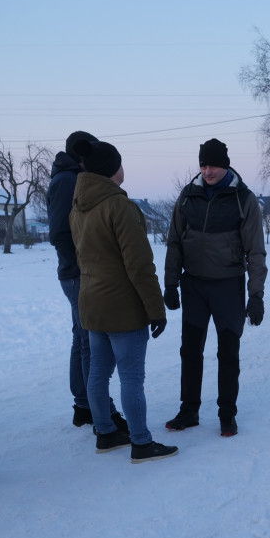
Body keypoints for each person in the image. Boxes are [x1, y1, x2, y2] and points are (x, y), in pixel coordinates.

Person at [69, 139, 176, 464]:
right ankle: (141, 442)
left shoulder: (78, 206)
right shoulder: (119, 207)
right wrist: (156, 310)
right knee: (131, 377)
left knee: (98, 371)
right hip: (121, 306)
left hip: (90, 302)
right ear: (113, 169)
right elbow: (139, 265)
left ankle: (105, 432)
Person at [163, 138, 267, 437]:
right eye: (203, 164)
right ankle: (189, 410)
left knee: (228, 354)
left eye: (213, 165)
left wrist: (256, 294)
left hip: (227, 287)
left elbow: (256, 251)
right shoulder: (187, 196)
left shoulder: (242, 198)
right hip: (194, 285)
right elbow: (174, 242)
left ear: (225, 165)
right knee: (190, 352)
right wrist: (171, 283)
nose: (207, 171)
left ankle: (227, 414)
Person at [46, 131, 126, 432]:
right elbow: (59, 233)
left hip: (76, 272)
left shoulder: (68, 177)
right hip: (78, 274)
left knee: (82, 338)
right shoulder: (68, 181)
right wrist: (83, 264)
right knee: (91, 342)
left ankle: (84, 405)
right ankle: (99, 408)